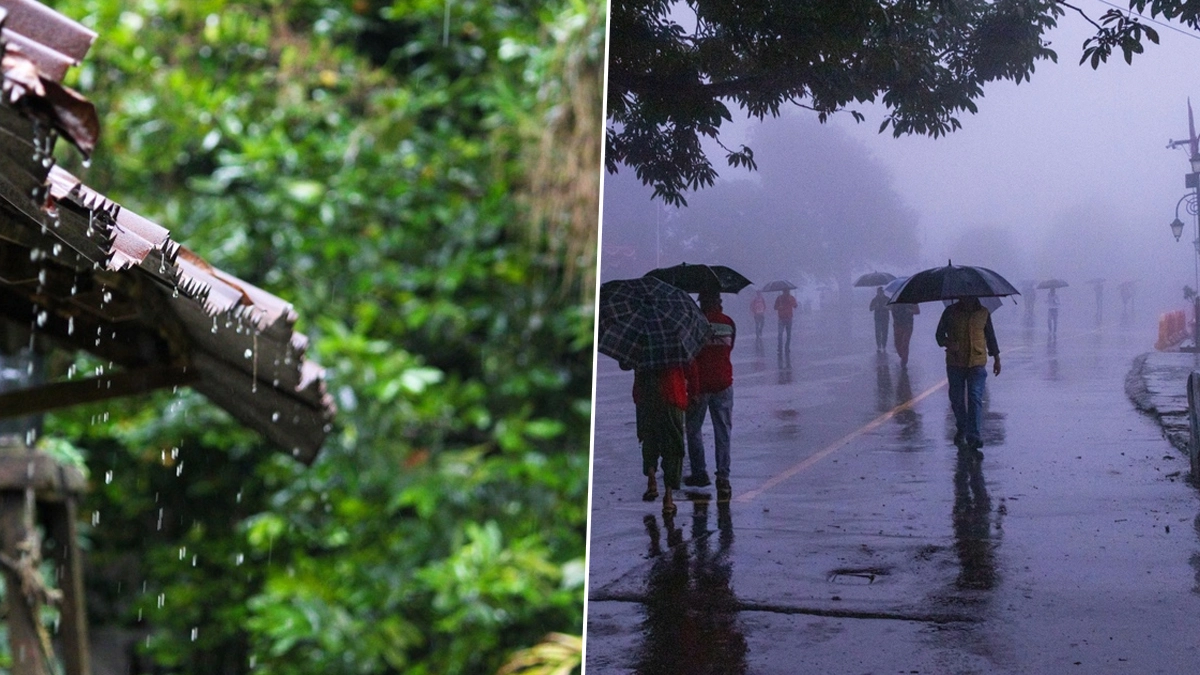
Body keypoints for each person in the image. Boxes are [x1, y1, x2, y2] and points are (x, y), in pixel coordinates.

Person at [685, 291, 736, 500]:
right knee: (722, 431)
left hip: (701, 385)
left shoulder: (695, 325)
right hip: (724, 383)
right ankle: (723, 477)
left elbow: (690, 356)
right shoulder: (728, 323)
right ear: (719, 303)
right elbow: (729, 348)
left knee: (693, 429)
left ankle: (700, 473)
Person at [935, 296, 1001, 451]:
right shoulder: (950, 312)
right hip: (955, 362)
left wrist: (997, 358)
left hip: (977, 363)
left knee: (974, 397)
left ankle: (974, 435)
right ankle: (962, 426)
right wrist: (948, 343)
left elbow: (990, 337)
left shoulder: (984, 313)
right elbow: (939, 336)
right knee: (956, 398)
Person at [633, 363, 690, 514]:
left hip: (646, 396)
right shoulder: (675, 343)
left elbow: (626, 364)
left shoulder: (641, 342)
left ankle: (651, 477)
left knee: (649, 438)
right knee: (673, 447)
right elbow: (689, 366)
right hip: (671, 395)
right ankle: (669, 498)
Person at [890, 301, 920, 367]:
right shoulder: (895, 301)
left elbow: (917, 311)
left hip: (908, 325)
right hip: (897, 325)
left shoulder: (912, 300)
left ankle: (904, 361)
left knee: (905, 343)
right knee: (897, 344)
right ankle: (902, 356)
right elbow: (890, 308)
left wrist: (910, 311)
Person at [774, 289, 797, 353]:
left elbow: (795, 306)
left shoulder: (791, 298)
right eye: (785, 291)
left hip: (789, 318)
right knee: (780, 334)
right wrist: (779, 307)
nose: (787, 292)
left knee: (788, 335)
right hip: (781, 319)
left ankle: (787, 347)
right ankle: (780, 348)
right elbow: (775, 307)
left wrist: (791, 302)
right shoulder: (779, 298)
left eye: (787, 291)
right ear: (783, 291)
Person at [869, 286, 890, 352]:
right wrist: (875, 306)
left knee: (885, 332)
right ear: (877, 292)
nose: (880, 293)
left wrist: (887, 307)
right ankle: (878, 345)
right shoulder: (874, 300)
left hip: (885, 318)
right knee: (878, 332)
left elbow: (892, 307)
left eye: (881, 292)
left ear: (883, 292)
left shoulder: (887, 299)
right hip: (877, 318)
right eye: (879, 292)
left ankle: (884, 345)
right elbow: (870, 308)